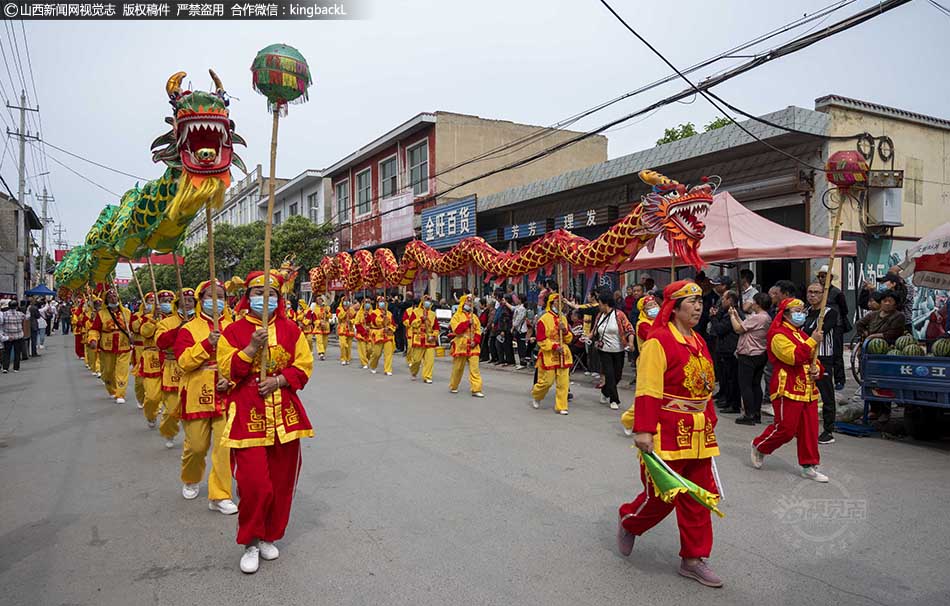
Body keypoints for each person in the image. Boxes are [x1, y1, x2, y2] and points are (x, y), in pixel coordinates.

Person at [616, 280, 723, 588]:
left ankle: (693, 559)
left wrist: (710, 420)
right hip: (667, 432)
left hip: (700, 433)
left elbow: (705, 387)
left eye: (700, 301)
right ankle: (629, 521)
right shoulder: (658, 341)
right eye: (691, 302)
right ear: (674, 308)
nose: (699, 306)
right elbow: (648, 388)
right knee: (662, 497)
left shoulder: (699, 341)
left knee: (700, 498)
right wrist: (645, 430)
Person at [216, 270, 314, 574]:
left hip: (285, 414)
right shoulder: (232, 331)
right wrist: (250, 349)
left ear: (279, 298)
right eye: (259, 292)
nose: (265, 298)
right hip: (248, 414)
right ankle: (250, 541)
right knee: (255, 484)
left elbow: (304, 366)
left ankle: (271, 535)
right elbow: (226, 371)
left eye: (272, 293)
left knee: (282, 483)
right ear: (248, 296)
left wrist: (280, 380)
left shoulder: (291, 330)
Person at [174, 279, 237, 515]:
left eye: (220, 296)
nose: (216, 301)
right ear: (201, 301)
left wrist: (231, 379)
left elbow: (242, 360)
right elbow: (183, 363)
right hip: (197, 393)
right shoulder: (188, 329)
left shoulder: (234, 326)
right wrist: (206, 344)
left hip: (226, 392)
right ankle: (190, 478)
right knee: (197, 446)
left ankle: (220, 494)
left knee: (224, 448)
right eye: (210, 296)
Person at [751, 297, 829, 483]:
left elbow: (813, 359)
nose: (800, 314)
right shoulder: (778, 335)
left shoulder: (801, 335)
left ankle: (809, 465)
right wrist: (812, 341)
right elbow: (792, 357)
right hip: (788, 386)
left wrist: (817, 369)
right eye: (796, 311)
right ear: (785, 314)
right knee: (786, 428)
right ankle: (760, 446)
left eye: (802, 311)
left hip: (808, 387)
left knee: (810, 429)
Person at [854, 289, 906, 422]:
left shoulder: (898, 316)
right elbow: (859, 324)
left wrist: (874, 336)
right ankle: (874, 409)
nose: (887, 304)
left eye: (890, 301)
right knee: (869, 382)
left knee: (883, 383)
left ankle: (885, 411)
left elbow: (893, 333)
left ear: (895, 304)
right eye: (884, 301)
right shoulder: (873, 315)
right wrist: (865, 334)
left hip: (886, 352)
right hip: (868, 353)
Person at [802, 283, 839, 445]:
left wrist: (809, 333)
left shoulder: (830, 313)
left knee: (826, 394)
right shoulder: (804, 313)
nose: (812, 295)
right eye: (810, 292)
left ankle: (828, 429)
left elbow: (816, 331)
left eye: (816, 292)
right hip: (806, 356)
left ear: (823, 295)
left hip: (823, 357)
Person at [156, 289, 194, 449]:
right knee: (171, 407)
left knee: (192, 407)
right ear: (177, 303)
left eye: (191, 300)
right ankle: (169, 431)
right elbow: (160, 342)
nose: (187, 303)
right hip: (173, 367)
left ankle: (193, 438)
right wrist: (179, 329)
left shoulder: (202, 320)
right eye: (184, 300)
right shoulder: (166, 322)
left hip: (194, 368)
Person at [731, 292, 772, 425]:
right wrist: (737, 315)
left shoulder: (758, 317)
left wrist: (732, 316)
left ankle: (749, 414)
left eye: (754, 302)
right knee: (755, 384)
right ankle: (756, 413)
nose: (752, 304)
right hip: (760, 353)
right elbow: (745, 326)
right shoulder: (765, 317)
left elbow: (738, 329)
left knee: (746, 385)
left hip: (749, 353)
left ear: (758, 304)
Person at [87, 289, 133, 404]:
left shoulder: (127, 312)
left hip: (124, 346)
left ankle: (121, 393)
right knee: (107, 372)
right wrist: (92, 339)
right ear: (106, 300)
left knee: (122, 370)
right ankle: (112, 390)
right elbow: (95, 329)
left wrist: (134, 335)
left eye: (115, 296)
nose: (113, 298)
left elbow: (134, 327)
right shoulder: (101, 314)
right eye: (110, 297)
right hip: (107, 347)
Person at [590, 293, 635, 410]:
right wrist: (587, 337)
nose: (598, 306)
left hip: (619, 350)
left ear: (605, 304)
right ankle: (614, 399)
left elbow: (629, 329)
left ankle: (605, 391)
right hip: (604, 350)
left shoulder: (619, 315)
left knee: (617, 376)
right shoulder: (599, 315)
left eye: (599, 304)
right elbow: (594, 330)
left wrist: (630, 343)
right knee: (609, 374)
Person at [531, 292, 573, 414]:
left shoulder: (564, 318)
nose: (559, 305)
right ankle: (537, 395)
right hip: (548, 353)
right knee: (547, 381)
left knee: (563, 383)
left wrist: (564, 330)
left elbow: (569, 338)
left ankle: (562, 406)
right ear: (551, 303)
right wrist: (554, 346)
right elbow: (541, 339)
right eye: (557, 302)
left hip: (563, 353)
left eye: (561, 302)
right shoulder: (543, 319)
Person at [133, 293, 163, 429]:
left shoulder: (176, 318)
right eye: (151, 301)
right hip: (149, 355)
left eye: (169, 301)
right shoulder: (144, 318)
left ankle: (169, 426)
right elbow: (143, 332)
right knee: (150, 394)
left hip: (172, 360)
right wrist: (152, 319)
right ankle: (151, 413)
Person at [816, 265, 850, 390]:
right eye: (819, 276)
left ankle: (839, 380)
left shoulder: (837, 292)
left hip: (836, 326)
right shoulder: (817, 291)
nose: (821, 279)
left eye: (823, 276)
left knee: (837, 353)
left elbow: (844, 309)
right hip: (821, 326)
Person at [708, 291, 740, 414]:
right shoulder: (725, 312)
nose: (722, 301)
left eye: (724, 299)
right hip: (724, 349)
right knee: (726, 377)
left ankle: (734, 404)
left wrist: (713, 318)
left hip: (730, 349)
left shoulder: (733, 313)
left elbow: (720, 329)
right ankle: (727, 399)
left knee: (732, 379)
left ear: (730, 300)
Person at [448, 294, 484, 397]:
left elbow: (478, 331)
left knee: (475, 369)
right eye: (468, 302)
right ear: (463, 303)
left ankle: (476, 389)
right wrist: (467, 323)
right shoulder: (456, 316)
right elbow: (456, 330)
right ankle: (453, 385)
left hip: (473, 346)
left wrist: (476, 341)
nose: (470, 304)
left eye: (471, 302)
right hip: (461, 345)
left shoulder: (475, 317)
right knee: (458, 368)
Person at [409, 295, 439, 383]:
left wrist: (434, 335)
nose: (427, 302)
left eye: (429, 300)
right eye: (426, 300)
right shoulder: (416, 312)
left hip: (429, 339)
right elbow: (411, 323)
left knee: (430, 360)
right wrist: (421, 319)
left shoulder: (433, 314)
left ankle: (427, 376)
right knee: (416, 360)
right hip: (419, 337)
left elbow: (436, 328)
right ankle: (414, 372)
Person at [368, 297, 396, 375]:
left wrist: (389, 328)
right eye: (380, 301)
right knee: (377, 353)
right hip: (378, 334)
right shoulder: (374, 312)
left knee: (388, 353)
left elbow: (393, 323)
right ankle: (373, 365)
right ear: (377, 303)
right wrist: (382, 317)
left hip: (388, 334)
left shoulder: (389, 313)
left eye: (383, 301)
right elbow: (374, 322)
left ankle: (388, 369)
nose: (382, 303)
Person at [1, 300, 25, 373]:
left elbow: (2, 322)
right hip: (18, 336)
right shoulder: (20, 314)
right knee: (17, 352)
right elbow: (27, 317)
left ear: (9, 306)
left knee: (7, 352)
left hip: (8, 336)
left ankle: (5, 368)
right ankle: (16, 368)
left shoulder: (4, 314)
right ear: (17, 306)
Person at [510, 293, 528, 369]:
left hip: (521, 329)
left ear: (520, 300)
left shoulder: (522, 309)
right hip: (519, 329)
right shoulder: (518, 307)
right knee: (520, 345)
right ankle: (521, 362)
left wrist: (513, 327)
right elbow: (513, 308)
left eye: (517, 298)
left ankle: (523, 362)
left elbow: (518, 319)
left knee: (521, 346)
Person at [336, 297, 355, 365]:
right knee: (343, 344)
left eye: (347, 300)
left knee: (349, 345)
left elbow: (355, 318)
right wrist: (345, 311)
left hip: (350, 327)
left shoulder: (352, 309)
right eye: (345, 300)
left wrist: (351, 321)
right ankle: (343, 358)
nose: (346, 302)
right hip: (342, 327)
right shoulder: (339, 309)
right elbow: (339, 316)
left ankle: (348, 358)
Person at [311, 295, 332, 361]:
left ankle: (323, 351)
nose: (319, 301)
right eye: (318, 299)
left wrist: (327, 312)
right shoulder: (314, 309)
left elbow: (330, 316)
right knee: (319, 340)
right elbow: (314, 319)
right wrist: (319, 322)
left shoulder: (327, 308)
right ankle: (321, 353)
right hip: (318, 327)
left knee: (325, 341)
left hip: (326, 326)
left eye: (320, 299)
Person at [354, 297, 372, 369]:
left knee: (370, 349)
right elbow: (356, 323)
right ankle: (364, 362)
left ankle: (367, 359)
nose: (367, 304)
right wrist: (363, 330)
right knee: (362, 349)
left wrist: (368, 317)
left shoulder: (372, 312)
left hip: (370, 333)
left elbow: (373, 322)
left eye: (368, 302)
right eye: (366, 302)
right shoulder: (359, 313)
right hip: (361, 333)